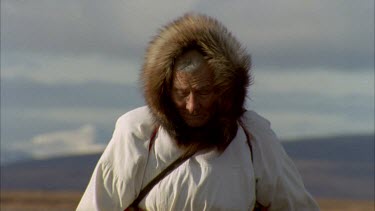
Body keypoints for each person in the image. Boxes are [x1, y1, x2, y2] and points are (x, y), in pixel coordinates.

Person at [77, 13, 320, 211]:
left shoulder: (253, 138)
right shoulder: (138, 132)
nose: (192, 106)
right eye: (182, 93)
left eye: (203, 93)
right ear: (164, 91)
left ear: (224, 90)